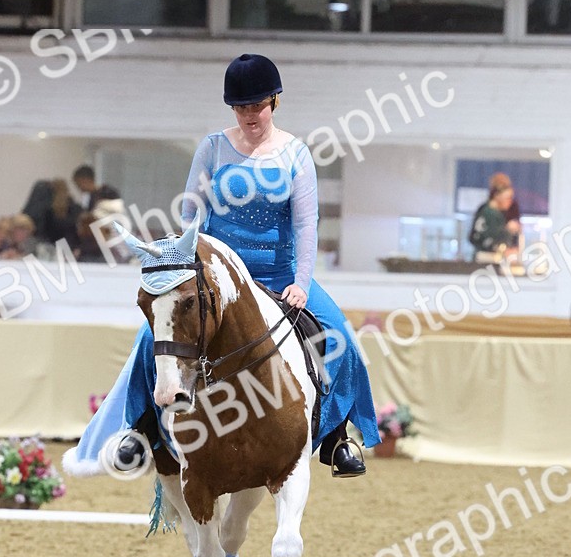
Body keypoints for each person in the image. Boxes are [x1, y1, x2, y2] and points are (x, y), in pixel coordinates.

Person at [69, 52, 380, 478]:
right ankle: (139, 431)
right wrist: (191, 266)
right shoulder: (213, 148)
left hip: (278, 273)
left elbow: (308, 224)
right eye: (241, 107)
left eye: (257, 105)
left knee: (340, 334)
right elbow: (190, 216)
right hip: (218, 274)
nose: (250, 114)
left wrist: (303, 284)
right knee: (153, 335)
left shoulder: (295, 154)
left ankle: (336, 438)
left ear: (274, 101)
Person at [469, 175, 519, 262]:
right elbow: (487, 237)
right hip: (486, 258)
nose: (510, 202)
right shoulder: (489, 214)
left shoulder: (497, 213)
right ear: (497, 196)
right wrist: (507, 230)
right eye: (508, 198)